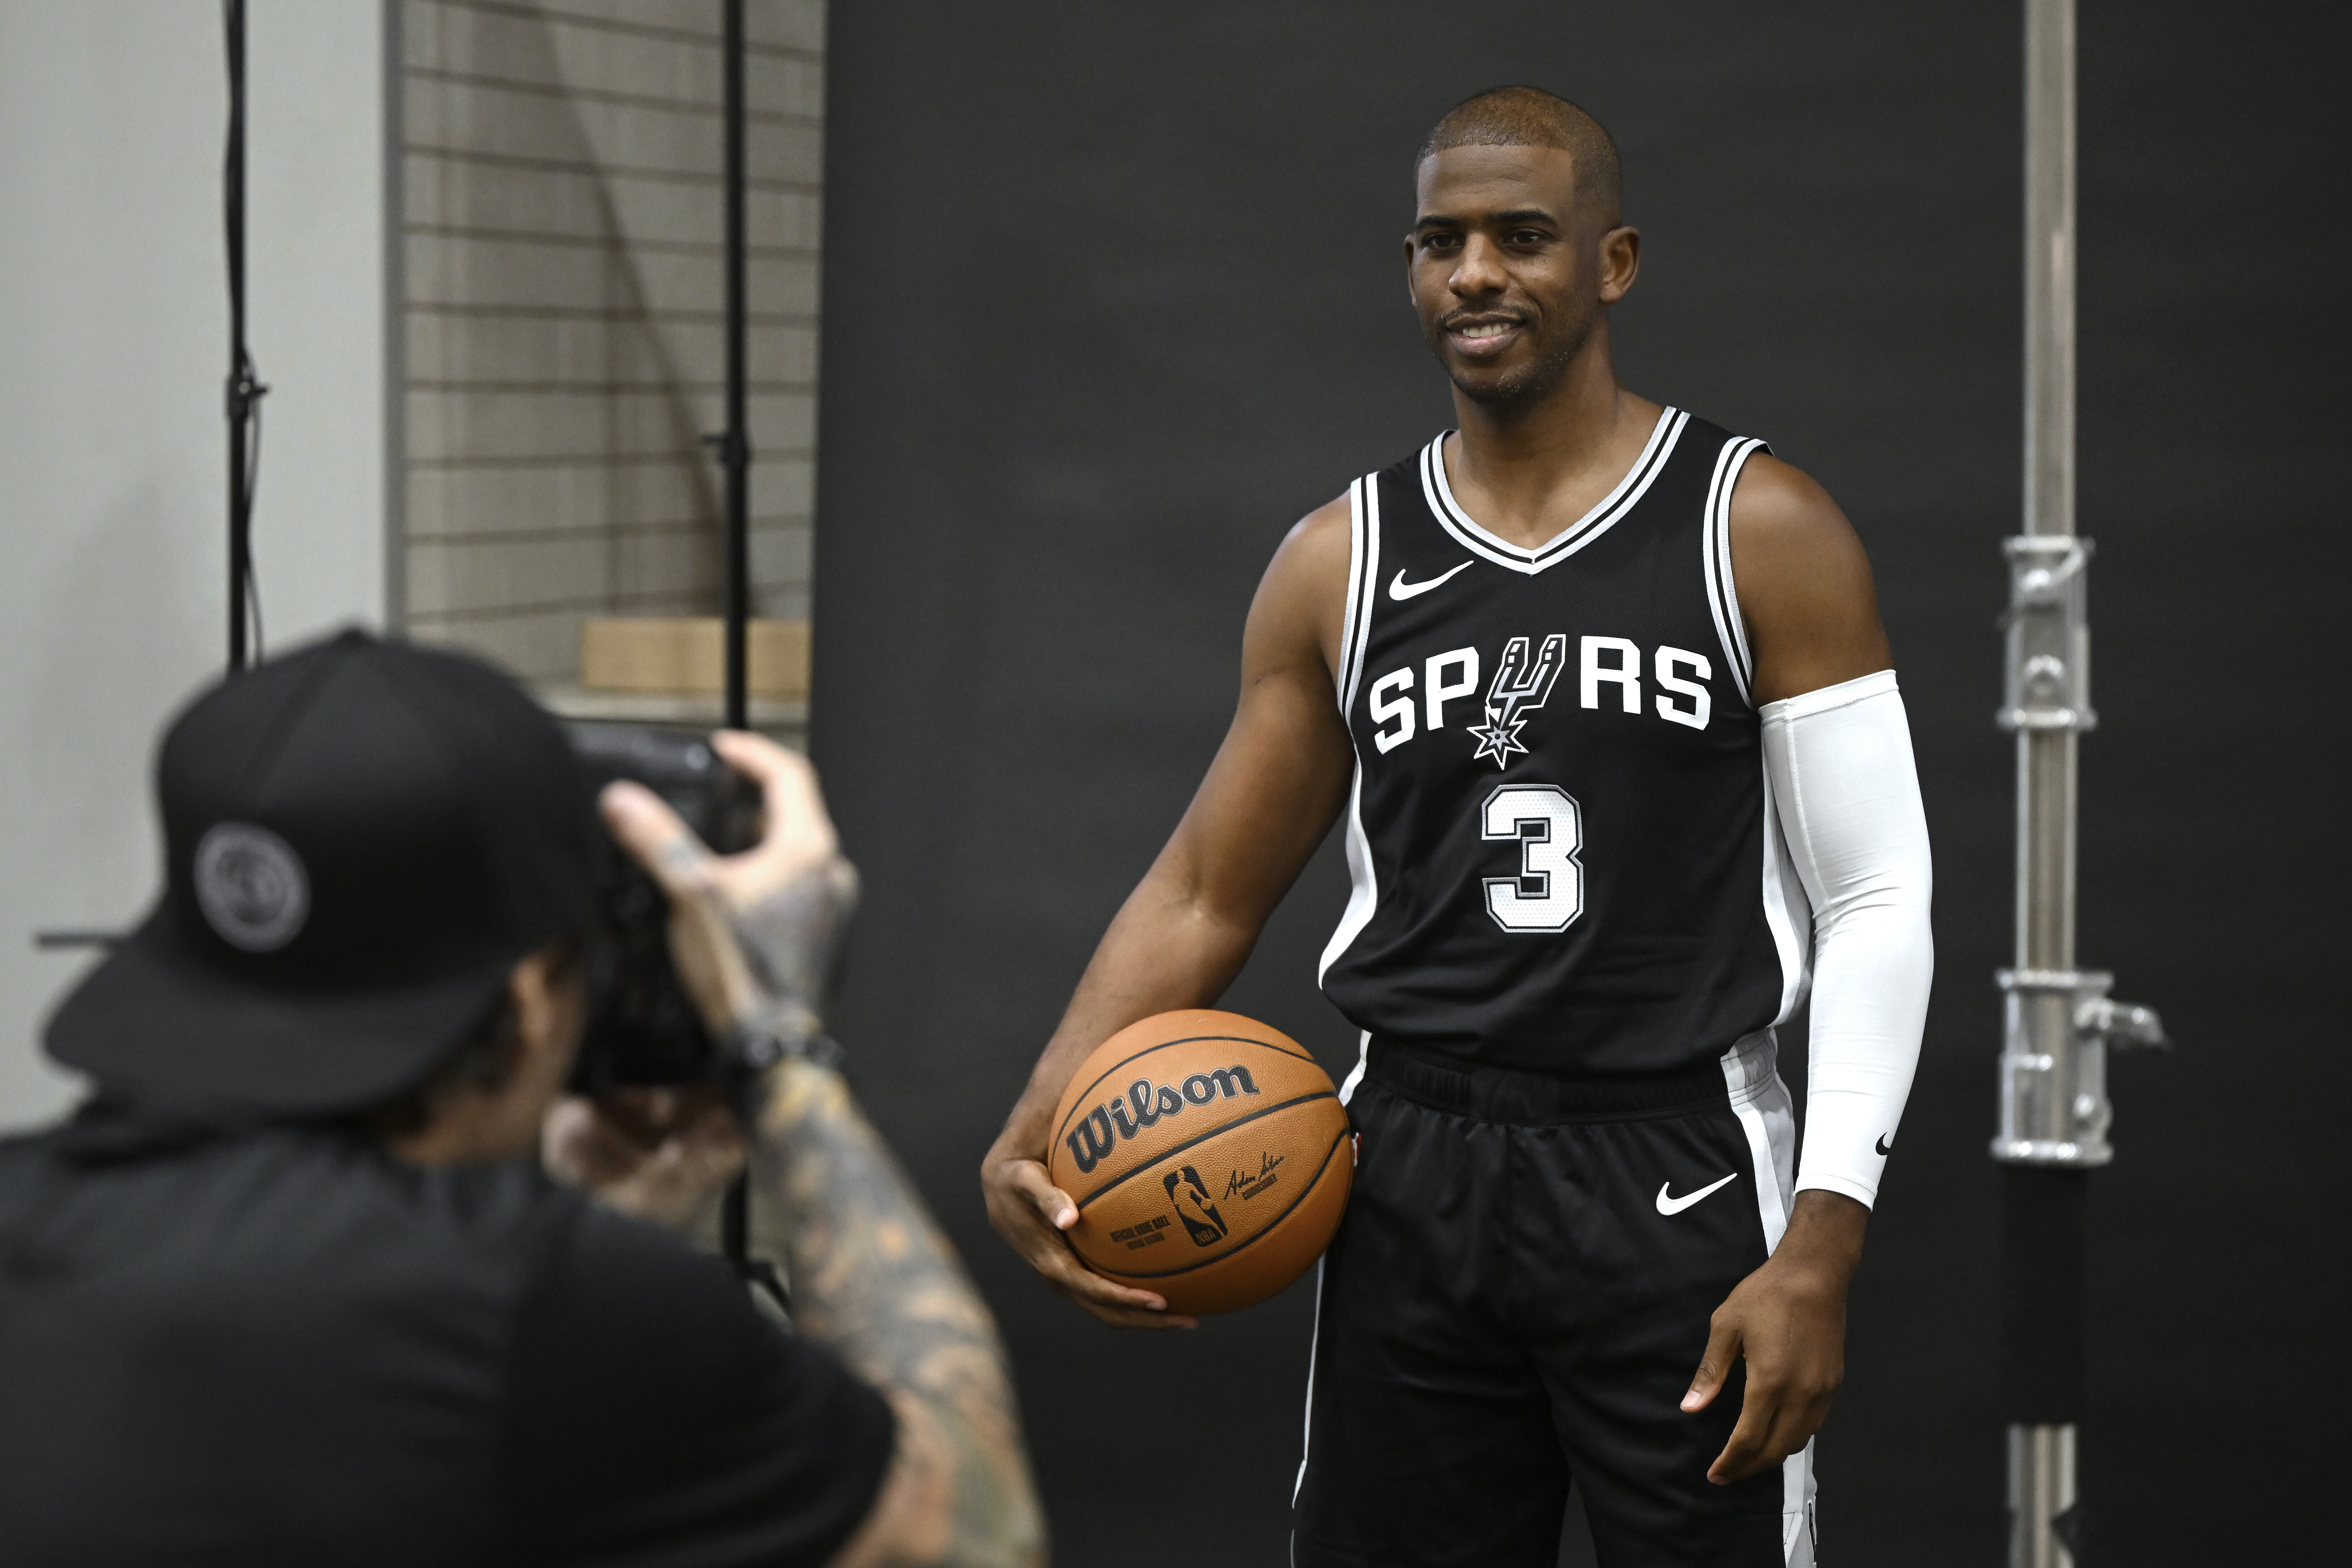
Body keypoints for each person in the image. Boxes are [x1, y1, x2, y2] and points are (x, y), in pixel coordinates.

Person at [980, 86, 1932, 1567]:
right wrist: (1039, 1119)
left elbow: (1874, 897)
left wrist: (1823, 1236)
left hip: (1669, 1165)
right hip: (1407, 1164)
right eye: (1441, 242)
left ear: (1610, 263)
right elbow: (1202, 890)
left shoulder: (1758, 527)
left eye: (1520, 237)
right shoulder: (1337, 560)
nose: (1474, 273)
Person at [0, 630, 1045, 1568]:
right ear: (537, 999)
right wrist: (778, 1045)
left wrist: (588, 1225)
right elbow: (969, 1537)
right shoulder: (526, 1302)